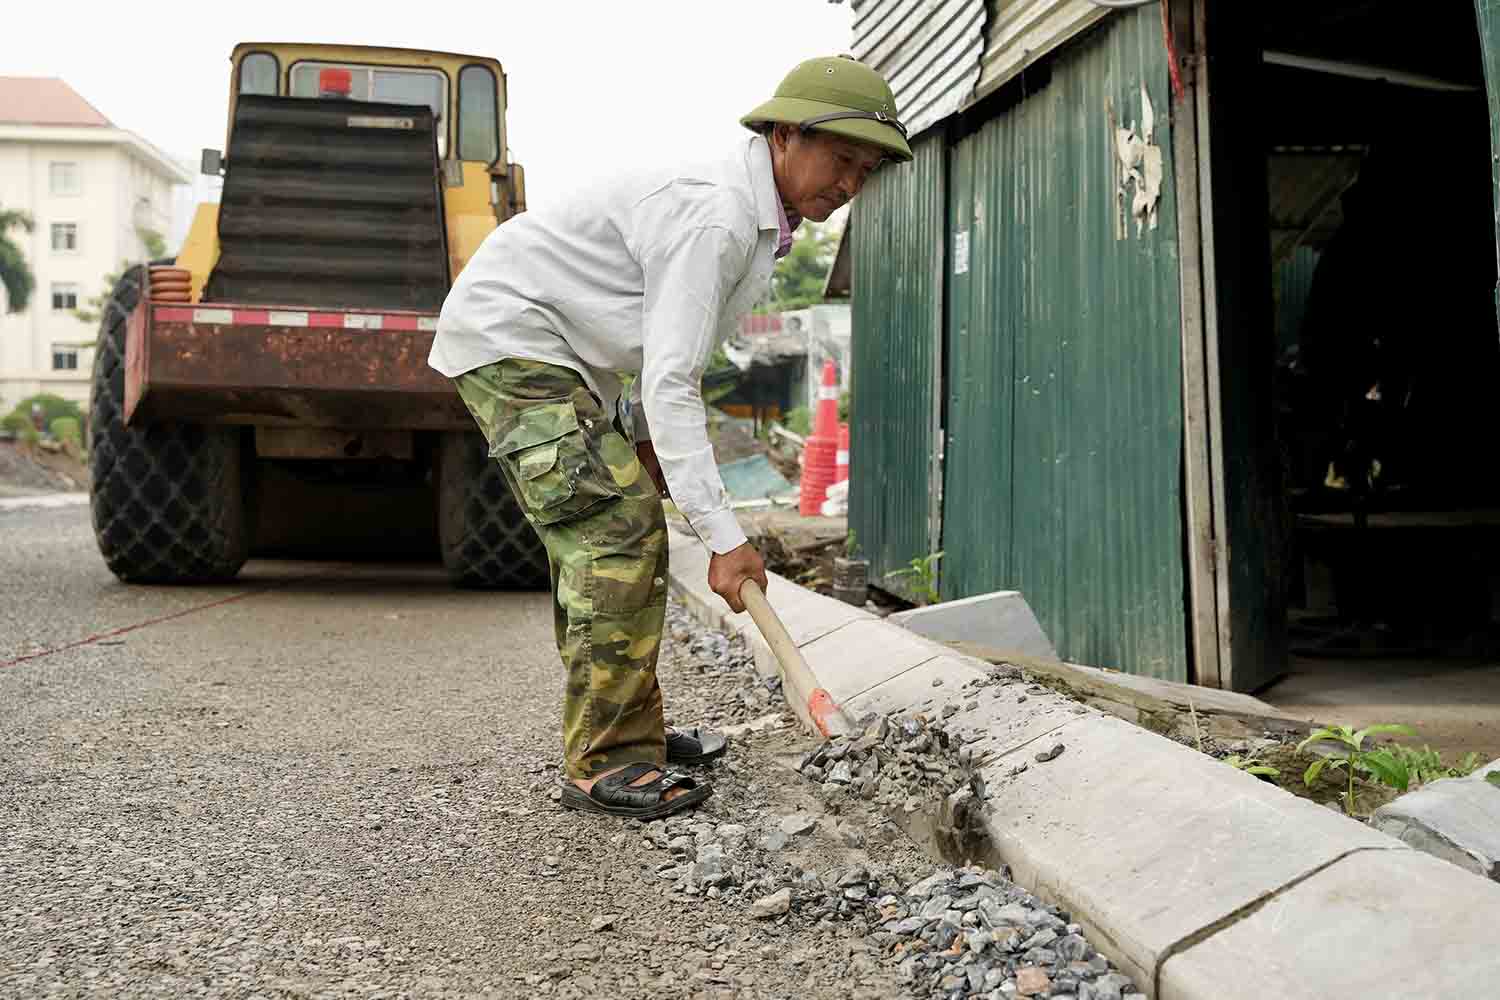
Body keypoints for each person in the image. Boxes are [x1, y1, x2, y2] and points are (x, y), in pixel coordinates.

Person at [429, 55, 911, 820]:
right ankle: (606, 759)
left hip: (569, 361)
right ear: (784, 134)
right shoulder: (717, 213)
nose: (851, 183)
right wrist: (724, 537)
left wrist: (647, 449)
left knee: (617, 532)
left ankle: (630, 731)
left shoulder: (756, 223)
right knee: (614, 535)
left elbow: (661, 355)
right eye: (842, 159)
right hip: (514, 341)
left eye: (867, 169)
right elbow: (674, 379)